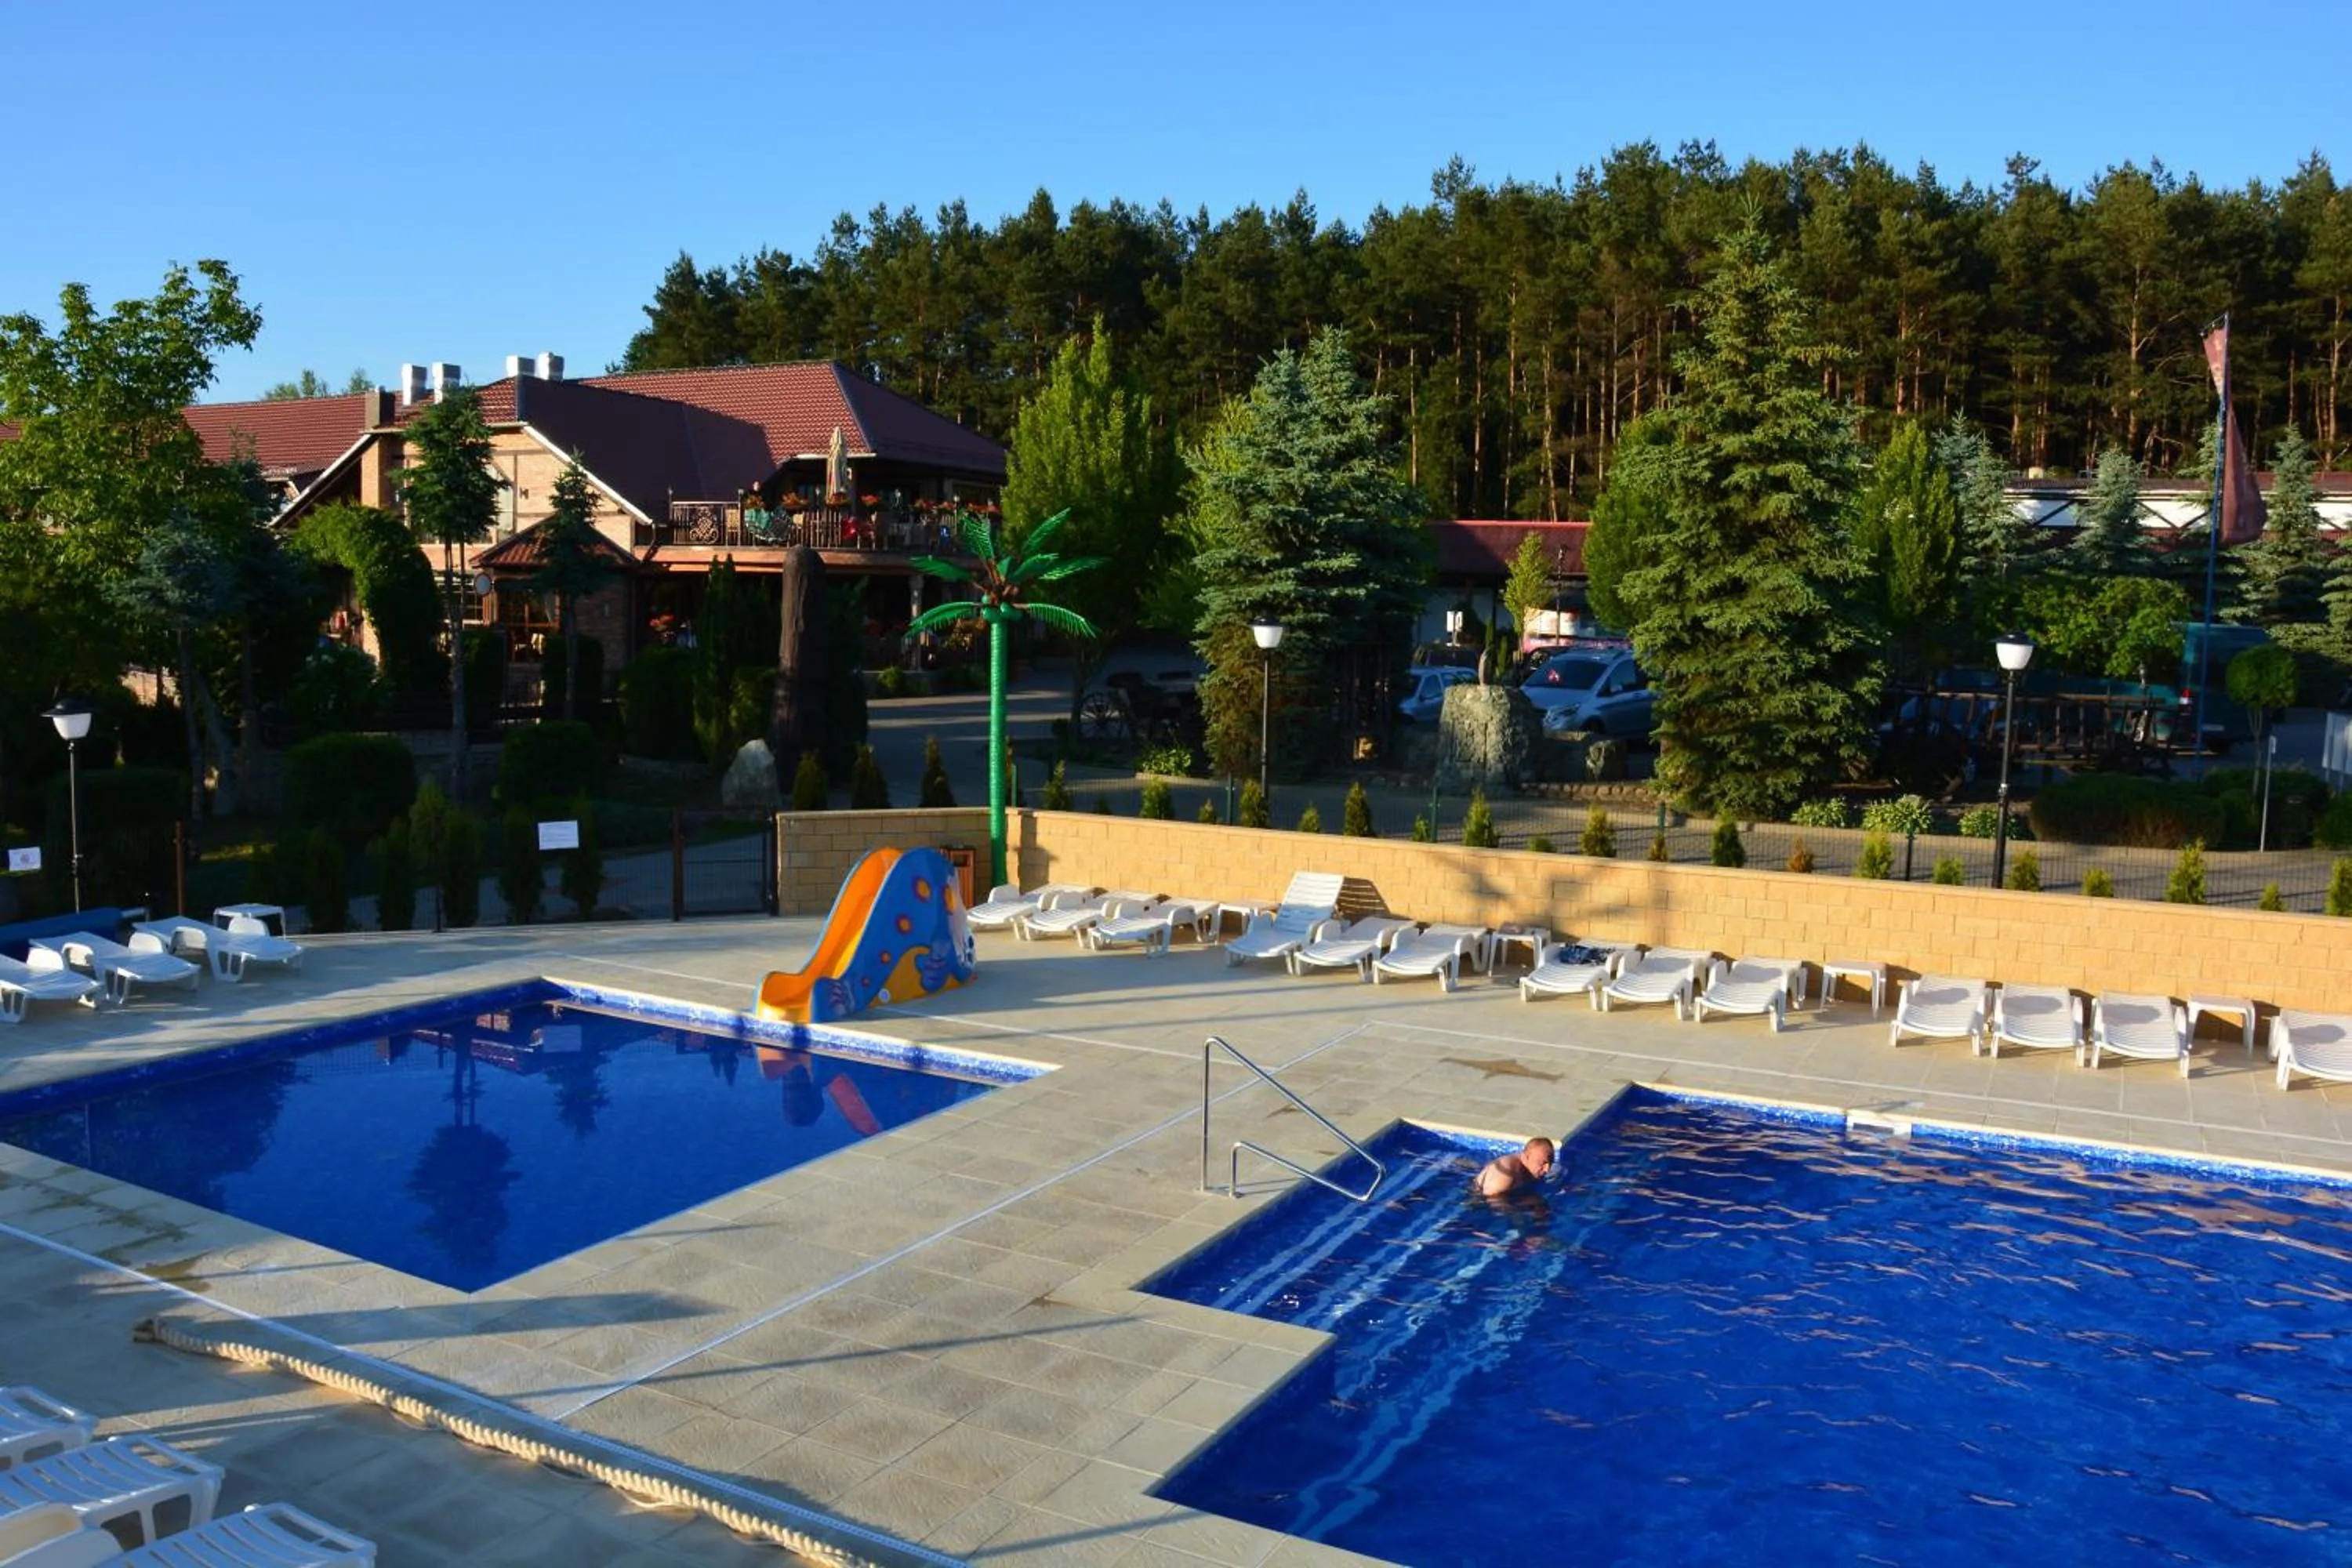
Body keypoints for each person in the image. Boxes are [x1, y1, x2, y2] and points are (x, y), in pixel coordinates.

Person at [1474, 1136, 1554, 1198]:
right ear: (1526, 1157)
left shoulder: (1531, 1167)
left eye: (1551, 1163)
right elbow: (1491, 1201)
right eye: (1543, 1163)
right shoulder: (1505, 1176)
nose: (1547, 1169)